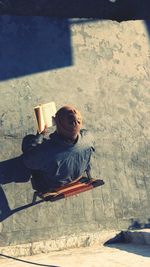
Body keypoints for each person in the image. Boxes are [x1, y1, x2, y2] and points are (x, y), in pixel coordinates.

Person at [22, 105, 95, 193]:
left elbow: (27, 162)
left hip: (54, 184)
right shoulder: (88, 137)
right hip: (78, 177)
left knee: (29, 140)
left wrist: (40, 135)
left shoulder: (47, 151)